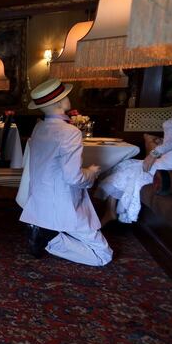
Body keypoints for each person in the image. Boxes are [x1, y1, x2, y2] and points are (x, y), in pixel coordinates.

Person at [96, 65, 172, 225]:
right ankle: (110, 211)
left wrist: (154, 154)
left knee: (129, 170)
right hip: (170, 159)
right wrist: (162, 143)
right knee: (124, 166)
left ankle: (109, 212)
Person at [19, 78, 112, 266]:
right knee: (104, 256)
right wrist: (91, 172)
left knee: (88, 238)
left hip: (40, 199)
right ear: (59, 103)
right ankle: (50, 239)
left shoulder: (39, 127)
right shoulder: (69, 132)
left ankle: (45, 232)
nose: (68, 97)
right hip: (64, 202)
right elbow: (74, 177)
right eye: (65, 95)